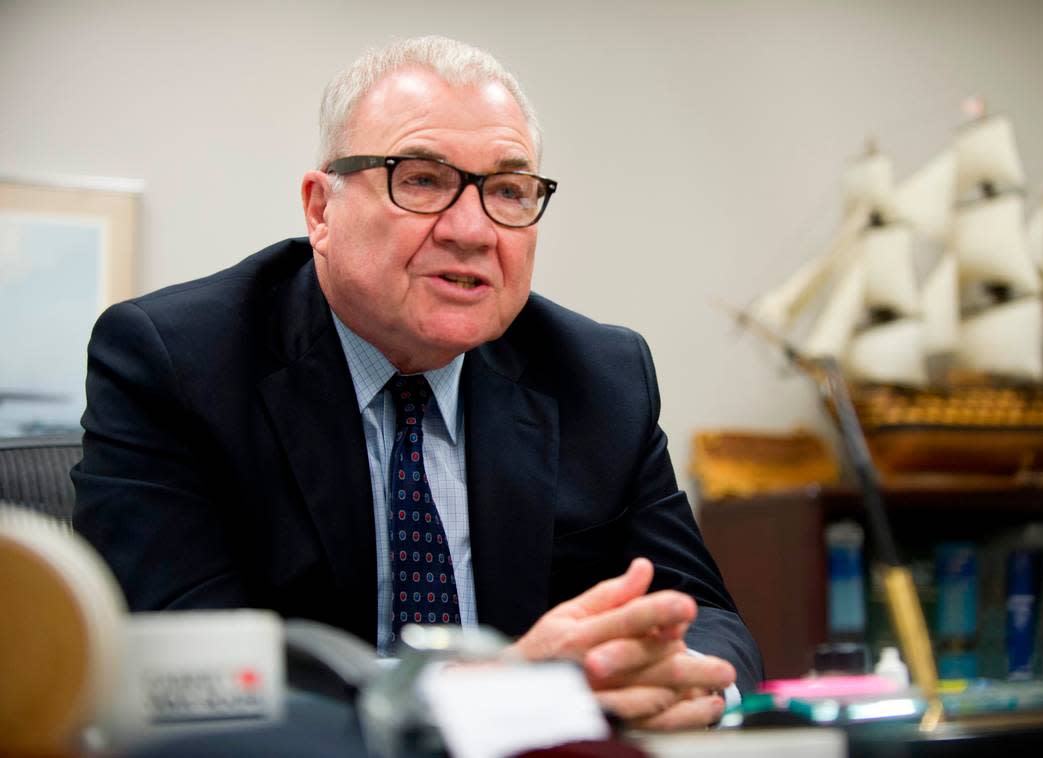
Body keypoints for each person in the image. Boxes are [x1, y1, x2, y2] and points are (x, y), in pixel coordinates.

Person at [72, 36, 762, 730]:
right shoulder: (176, 363)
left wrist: (679, 683)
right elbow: (184, 678)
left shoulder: (599, 377)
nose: (472, 230)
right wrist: (499, 695)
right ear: (321, 210)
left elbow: (702, 615)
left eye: (508, 191)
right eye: (423, 180)